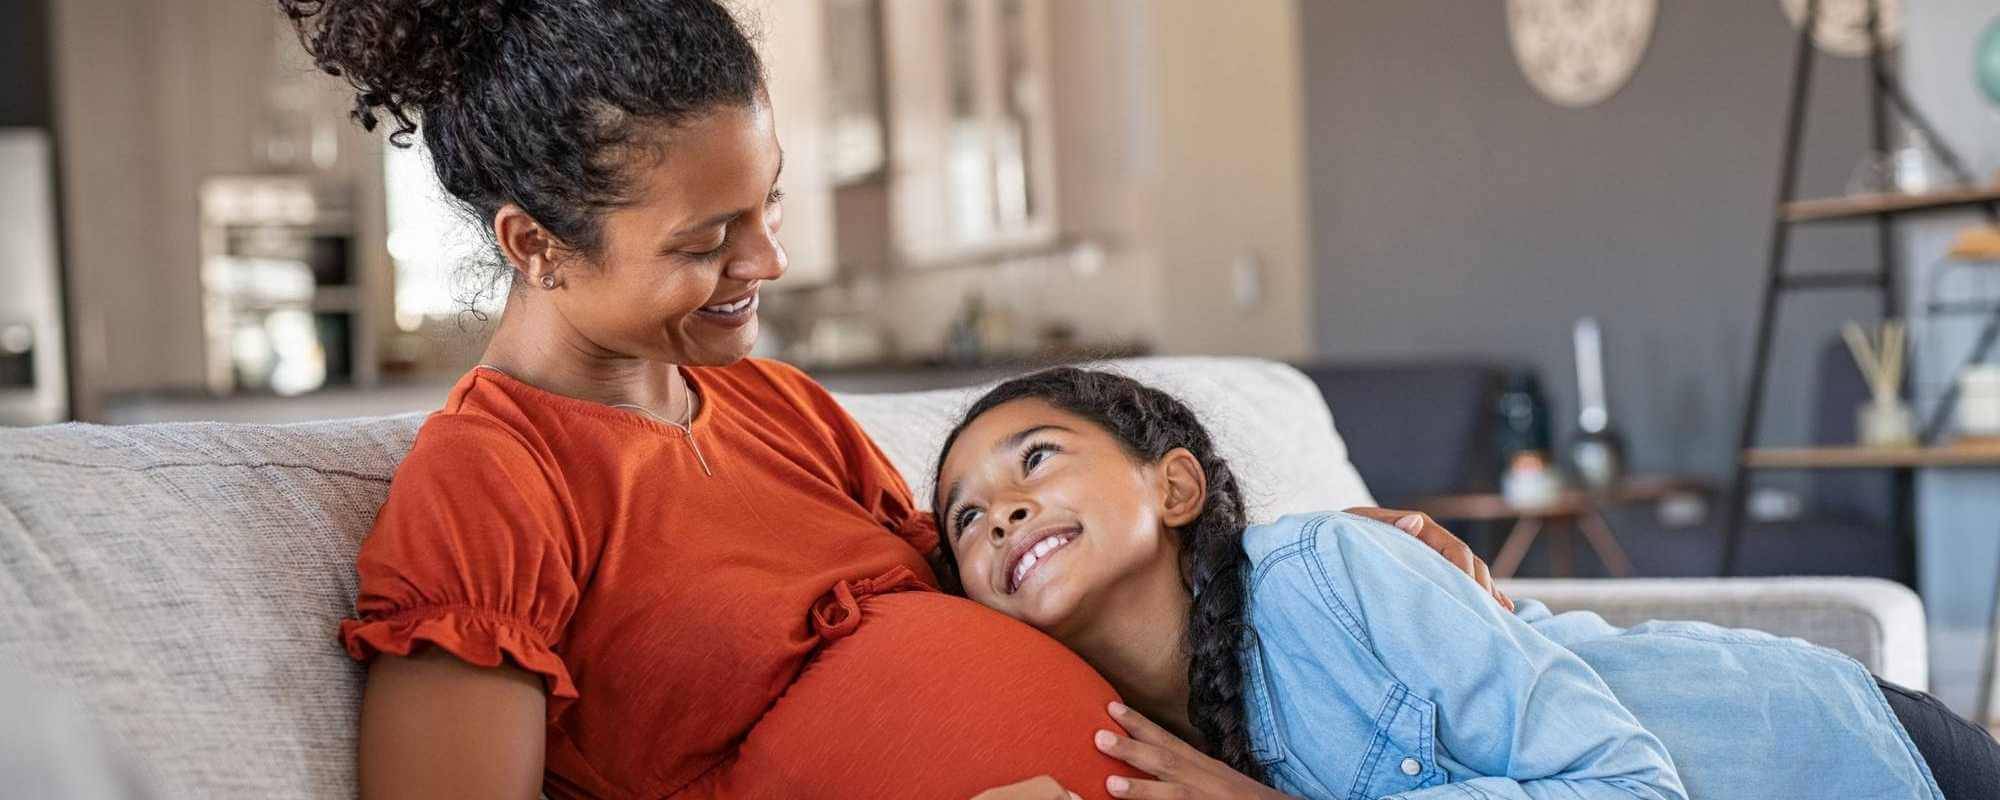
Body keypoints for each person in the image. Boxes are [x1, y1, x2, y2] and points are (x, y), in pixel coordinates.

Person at [277, 2, 1509, 797]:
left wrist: (1304, 571)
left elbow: (1044, 602)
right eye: (709, 238)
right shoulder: (495, 478)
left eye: (768, 207)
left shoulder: (774, 409)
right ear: (535, 243)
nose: (764, 265)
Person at [933, 367, 2000, 800]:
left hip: (1839, 760)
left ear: (1171, 486)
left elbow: (1630, 786)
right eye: (966, 517)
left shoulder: (1329, 574)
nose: (1002, 512)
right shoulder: (1148, 743)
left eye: (1034, 459)